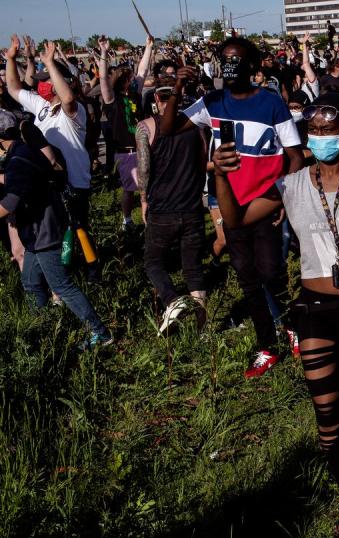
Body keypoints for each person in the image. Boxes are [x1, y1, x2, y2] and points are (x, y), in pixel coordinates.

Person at [213, 2, 339, 535]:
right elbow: (238, 221)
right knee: (327, 420)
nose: (319, 133)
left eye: (329, 126)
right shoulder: (291, 186)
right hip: (315, 311)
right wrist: (224, 179)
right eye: (312, 126)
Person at [174, 36, 305, 378]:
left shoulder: (271, 103)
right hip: (231, 205)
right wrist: (178, 86)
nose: (229, 66)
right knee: (247, 279)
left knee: (272, 271)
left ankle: (292, 328)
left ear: (252, 66)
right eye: (224, 59)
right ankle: (267, 345)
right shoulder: (212, 101)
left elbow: (294, 156)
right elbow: (170, 128)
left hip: (265, 202)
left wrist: (285, 197)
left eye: (236, 60)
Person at [0, 110, 111, 349]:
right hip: (38, 232)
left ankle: (99, 333)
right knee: (30, 282)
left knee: (62, 286)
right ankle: (42, 331)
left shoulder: (18, 160)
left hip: (44, 231)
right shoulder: (23, 151)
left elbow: (10, 202)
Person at [4, 38, 95, 272]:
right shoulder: (41, 107)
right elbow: (14, 88)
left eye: (46, 82)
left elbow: (67, 99)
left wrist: (51, 64)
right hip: (52, 182)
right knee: (59, 233)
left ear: (57, 82)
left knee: (79, 229)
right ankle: (65, 274)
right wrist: (11, 60)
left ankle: (92, 272)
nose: (41, 86)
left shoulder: (74, 112)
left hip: (75, 182)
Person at [135, 77, 208, 333]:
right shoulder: (195, 128)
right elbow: (202, 164)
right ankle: (202, 328)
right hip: (191, 207)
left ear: (157, 99)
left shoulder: (145, 127)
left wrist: (143, 199)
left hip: (162, 208)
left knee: (153, 261)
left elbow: (143, 170)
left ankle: (171, 298)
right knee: (193, 267)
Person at [98, 34, 152, 231]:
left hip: (142, 148)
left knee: (146, 191)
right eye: (130, 79)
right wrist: (104, 52)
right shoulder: (112, 100)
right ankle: (127, 220)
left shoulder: (135, 94)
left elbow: (143, 70)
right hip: (125, 152)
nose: (135, 80)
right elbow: (103, 77)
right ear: (123, 81)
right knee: (129, 191)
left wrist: (148, 46)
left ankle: (149, 224)